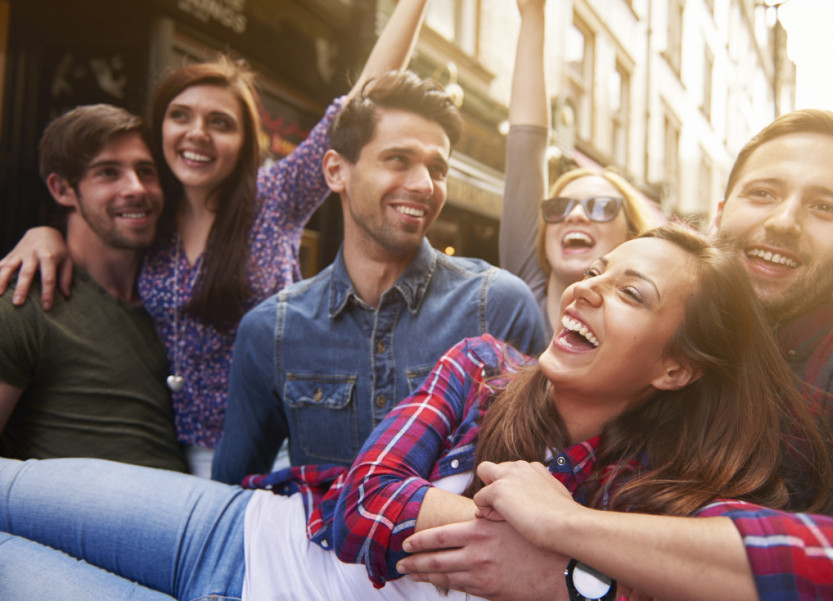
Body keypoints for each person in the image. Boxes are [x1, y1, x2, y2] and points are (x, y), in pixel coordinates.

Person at [2, 224, 833, 601]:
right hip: (236, 529)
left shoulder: (660, 499)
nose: (591, 286)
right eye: (598, 270)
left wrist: (576, 553)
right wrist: (540, 527)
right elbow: (363, 503)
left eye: (631, 291)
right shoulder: (486, 364)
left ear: (678, 367)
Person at [398, 109, 833, 600]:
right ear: (721, 216)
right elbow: (360, 501)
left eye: (825, 207)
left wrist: (569, 564)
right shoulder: (544, 377)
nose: (784, 221)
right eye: (763, 192)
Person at [0, 0, 434, 476]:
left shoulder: (274, 197)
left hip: (284, 445)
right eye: (180, 116)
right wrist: (44, 235)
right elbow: (91, 232)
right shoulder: (150, 214)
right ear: (160, 128)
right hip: (182, 456)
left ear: (245, 139)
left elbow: (360, 102)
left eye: (220, 122)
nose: (197, 134)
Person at [210, 69, 545, 482]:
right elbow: (232, 491)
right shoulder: (271, 331)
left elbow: (543, 472)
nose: (424, 184)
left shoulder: (499, 306)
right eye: (398, 160)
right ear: (335, 171)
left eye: (437, 168)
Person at [0, 104, 187, 472]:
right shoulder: (22, 302)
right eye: (108, 173)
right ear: (62, 189)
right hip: (67, 525)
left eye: (145, 171)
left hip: (192, 518)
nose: (136, 188)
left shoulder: (169, 302)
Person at [499, 0, 660, 343]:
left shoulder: (643, 338)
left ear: (632, 238)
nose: (573, 216)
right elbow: (526, 148)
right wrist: (533, 14)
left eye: (600, 206)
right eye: (558, 207)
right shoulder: (524, 294)